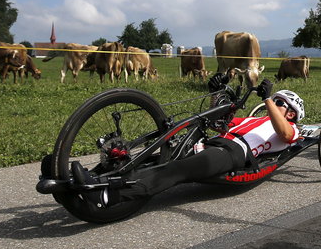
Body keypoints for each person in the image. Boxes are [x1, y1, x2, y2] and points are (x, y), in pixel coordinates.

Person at [71, 79, 304, 207]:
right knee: (154, 158)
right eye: (275, 100)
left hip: (232, 152)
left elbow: (283, 135)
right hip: (213, 142)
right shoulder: (255, 120)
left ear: (291, 113)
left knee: (175, 170)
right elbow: (219, 122)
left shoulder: (290, 129)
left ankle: (108, 196)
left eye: (280, 102)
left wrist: (266, 99)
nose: (273, 103)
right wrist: (215, 93)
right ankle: (92, 178)